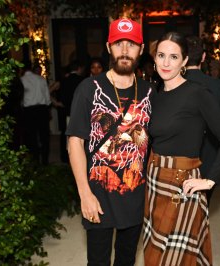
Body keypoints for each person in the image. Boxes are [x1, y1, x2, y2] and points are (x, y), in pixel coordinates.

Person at [66, 18, 155, 266]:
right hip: (98, 193)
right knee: (98, 261)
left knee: (127, 259)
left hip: (135, 193)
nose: (125, 51)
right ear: (108, 47)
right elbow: (74, 142)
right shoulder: (88, 88)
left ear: (141, 48)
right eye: (118, 44)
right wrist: (84, 194)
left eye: (131, 44)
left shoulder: (149, 91)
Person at [143, 31, 220, 265]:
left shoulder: (197, 94)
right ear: (154, 58)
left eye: (173, 57)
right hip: (155, 182)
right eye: (161, 55)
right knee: (154, 254)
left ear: (184, 61)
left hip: (182, 183)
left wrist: (210, 180)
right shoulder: (154, 94)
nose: (165, 62)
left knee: (179, 258)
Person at [184, 35, 220, 204]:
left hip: (178, 159)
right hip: (210, 157)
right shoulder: (219, 86)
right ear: (204, 57)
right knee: (201, 209)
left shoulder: (170, 85)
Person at [20, 61, 51, 165]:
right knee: (44, 136)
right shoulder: (41, 79)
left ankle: (35, 160)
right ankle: (45, 160)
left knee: (31, 136)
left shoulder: (22, 80)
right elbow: (47, 98)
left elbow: (21, 99)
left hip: (29, 111)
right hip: (42, 109)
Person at [57, 60, 85, 163]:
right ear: (79, 69)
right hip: (80, 113)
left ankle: (65, 158)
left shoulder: (64, 80)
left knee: (66, 136)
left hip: (67, 112)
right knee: (80, 136)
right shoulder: (83, 81)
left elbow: (61, 96)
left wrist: (58, 103)